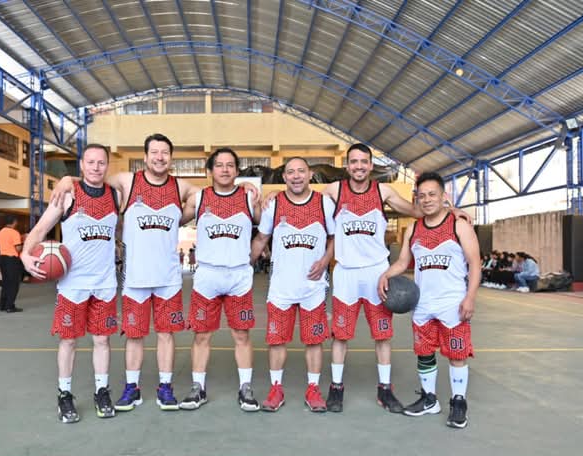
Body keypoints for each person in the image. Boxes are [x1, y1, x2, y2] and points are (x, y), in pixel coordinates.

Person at [50, 134, 259, 411]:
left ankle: (165, 387)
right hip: (135, 276)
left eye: (165, 153)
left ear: (170, 158)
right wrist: (68, 180)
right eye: (155, 152)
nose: (160, 157)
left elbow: (217, 193)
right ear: (145, 156)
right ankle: (132, 388)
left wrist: (242, 186)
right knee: (134, 336)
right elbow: (93, 180)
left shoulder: (183, 188)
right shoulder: (127, 181)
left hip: (168, 278)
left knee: (166, 335)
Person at [320, 143, 470, 413]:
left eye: (364, 161)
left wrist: (452, 209)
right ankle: (336, 388)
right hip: (345, 273)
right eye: (353, 161)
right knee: (340, 336)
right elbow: (305, 200)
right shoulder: (334, 190)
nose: (359, 166)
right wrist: (270, 196)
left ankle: (385, 390)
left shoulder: (383, 191)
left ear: (370, 165)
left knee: (383, 336)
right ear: (347, 165)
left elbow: (417, 211)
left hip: (377, 272)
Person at [21, 144, 121, 423]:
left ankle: (102, 391)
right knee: (69, 341)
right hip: (73, 284)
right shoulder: (67, 195)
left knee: (102, 340)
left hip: (104, 283)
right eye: (90, 162)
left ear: (107, 165)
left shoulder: (115, 195)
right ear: (81, 165)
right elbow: (40, 229)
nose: (96, 167)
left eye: (101, 162)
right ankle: (64, 395)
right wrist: (25, 254)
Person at [378, 172, 480, 429]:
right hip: (422, 303)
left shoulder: (459, 225)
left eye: (432, 194)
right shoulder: (413, 229)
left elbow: (475, 263)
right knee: (424, 353)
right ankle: (429, 399)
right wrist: (386, 275)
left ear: (444, 196)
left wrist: (470, 297)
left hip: (452, 302)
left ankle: (459, 402)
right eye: (421, 196)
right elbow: (403, 262)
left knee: (457, 354)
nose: (427, 199)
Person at [178, 148, 262, 412]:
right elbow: (170, 221)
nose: (225, 170)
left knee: (242, 334)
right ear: (210, 170)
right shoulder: (199, 198)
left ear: (237, 170)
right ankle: (198, 388)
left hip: (239, 275)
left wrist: (253, 256)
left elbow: (269, 227)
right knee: (201, 334)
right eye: (219, 165)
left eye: (230, 165)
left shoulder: (249, 197)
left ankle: (245, 388)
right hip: (208, 275)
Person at [250, 157, 336, 413]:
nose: (296, 176)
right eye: (290, 172)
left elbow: (334, 238)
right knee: (276, 341)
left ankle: (313, 389)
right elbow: (261, 238)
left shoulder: (324, 203)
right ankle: (276, 388)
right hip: (281, 289)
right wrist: (244, 265)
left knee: (314, 341)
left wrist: (325, 261)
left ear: (310, 175)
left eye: (301, 171)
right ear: (284, 177)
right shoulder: (274, 204)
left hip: (313, 288)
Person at [0, 216, 23, 313]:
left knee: (5, 283)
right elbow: (18, 248)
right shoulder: (14, 232)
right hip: (11, 259)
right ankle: (9, 306)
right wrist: (23, 244)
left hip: (2, 258)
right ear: (14, 222)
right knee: (14, 283)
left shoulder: (0, 232)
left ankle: (2, 305)